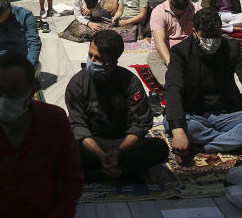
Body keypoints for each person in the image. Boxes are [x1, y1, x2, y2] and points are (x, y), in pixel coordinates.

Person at [0, 53, 83, 217]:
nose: (4, 99)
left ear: (31, 91)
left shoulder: (55, 120)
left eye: (13, 92)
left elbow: (72, 181)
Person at [165, 8, 242, 157]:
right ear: (194, 32)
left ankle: (204, 148)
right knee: (171, 123)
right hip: (195, 114)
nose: (212, 41)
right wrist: (178, 130)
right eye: (206, 36)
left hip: (228, 114)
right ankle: (230, 141)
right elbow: (173, 88)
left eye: (216, 36)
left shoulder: (232, 48)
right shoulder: (181, 52)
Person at [66, 30, 169, 181]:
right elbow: (78, 125)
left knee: (159, 148)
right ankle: (123, 172)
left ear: (114, 61)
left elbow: (140, 124)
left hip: (123, 143)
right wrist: (100, 154)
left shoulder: (130, 83)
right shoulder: (77, 83)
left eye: (98, 59)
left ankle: (99, 174)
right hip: (91, 143)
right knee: (60, 148)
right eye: (90, 55)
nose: (92, 61)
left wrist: (119, 152)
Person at [147, 0, 195, 87]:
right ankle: (174, 84)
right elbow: (159, 43)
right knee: (152, 58)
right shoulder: (158, 12)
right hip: (166, 53)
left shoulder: (196, 9)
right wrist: (171, 64)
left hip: (189, 51)